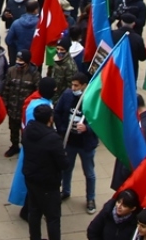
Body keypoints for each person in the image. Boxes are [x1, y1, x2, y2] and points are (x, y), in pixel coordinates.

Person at [53, 73, 99, 214]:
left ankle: (90, 199)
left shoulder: (93, 99)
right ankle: (65, 191)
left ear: (84, 85)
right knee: (67, 168)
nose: (73, 88)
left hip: (86, 144)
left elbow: (99, 122)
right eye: (72, 85)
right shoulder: (67, 95)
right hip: (70, 141)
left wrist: (87, 128)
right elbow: (58, 112)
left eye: (76, 85)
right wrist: (62, 129)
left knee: (89, 173)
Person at [21, 104, 66, 240]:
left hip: (31, 177)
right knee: (53, 217)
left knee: (34, 211)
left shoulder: (28, 130)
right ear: (50, 118)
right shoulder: (52, 139)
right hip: (48, 182)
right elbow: (63, 163)